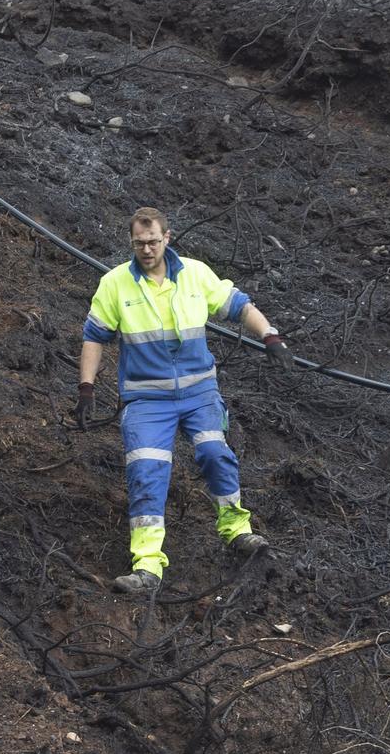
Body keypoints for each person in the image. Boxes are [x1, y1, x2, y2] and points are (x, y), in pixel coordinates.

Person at [78, 206, 291, 593]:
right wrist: (86, 387)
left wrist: (270, 336)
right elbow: (94, 335)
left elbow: (239, 305)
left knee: (214, 453)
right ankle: (147, 567)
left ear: (167, 238)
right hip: (146, 401)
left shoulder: (194, 274)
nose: (146, 250)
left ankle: (236, 531)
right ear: (132, 242)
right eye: (140, 243)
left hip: (198, 393)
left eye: (153, 242)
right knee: (146, 471)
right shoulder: (115, 284)